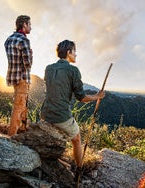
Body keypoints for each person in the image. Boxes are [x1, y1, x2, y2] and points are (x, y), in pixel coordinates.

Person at [40, 40, 105, 180]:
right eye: (74, 51)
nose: (76, 54)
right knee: (76, 139)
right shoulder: (73, 70)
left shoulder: (48, 68)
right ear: (68, 52)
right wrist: (97, 96)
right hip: (61, 115)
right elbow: (81, 97)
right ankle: (79, 170)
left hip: (45, 113)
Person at [4, 15, 33, 136]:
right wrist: (31, 54)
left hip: (13, 77)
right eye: (30, 24)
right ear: (24, 24)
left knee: (21, 105)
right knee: (19, 107)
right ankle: (12, 136)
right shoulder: (24, 40)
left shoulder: (9, 39)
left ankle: (22, 131)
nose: (31, 27)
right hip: (22, 78)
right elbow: (28, 64)